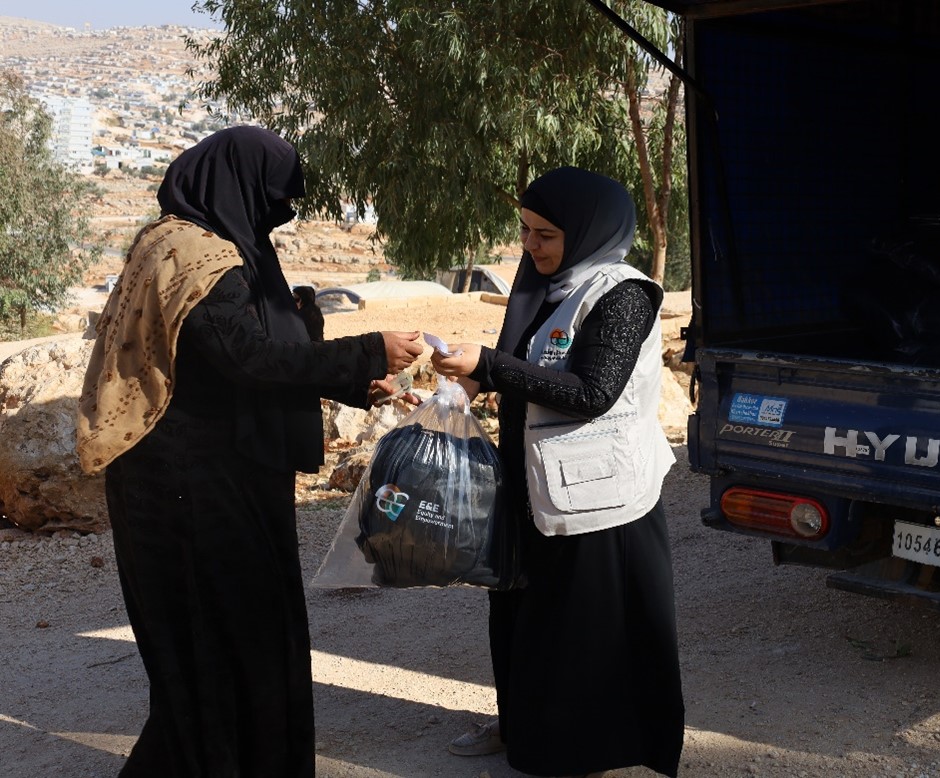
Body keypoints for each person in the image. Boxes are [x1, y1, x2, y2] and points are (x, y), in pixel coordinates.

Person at [76, 125, 423, 777]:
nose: (274, 217)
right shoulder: (192, 256)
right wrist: (369, 348)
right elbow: (251, 360)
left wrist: (356, 382)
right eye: (269, 200)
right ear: (236, 187)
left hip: (222, 476)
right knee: (221, 655)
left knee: (244, 648)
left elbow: (252, 357)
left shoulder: (196, 243)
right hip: (189, 492)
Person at [431, 166, 685, 778]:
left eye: (546, 234)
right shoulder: (541, 285)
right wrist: (479, 377)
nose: (530, 246)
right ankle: (524, 727)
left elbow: (593, 390)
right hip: (535, 487)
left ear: (589, 230)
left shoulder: (621, 292)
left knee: (587, 635)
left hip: (600, 500)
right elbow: (530, 372)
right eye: (524, 230)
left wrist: (492, 365)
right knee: (526, 621)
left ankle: (585, 751)